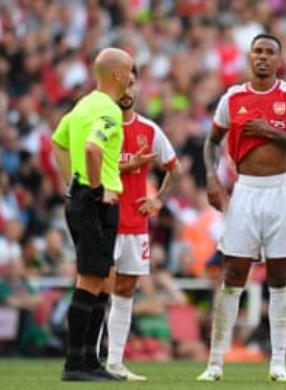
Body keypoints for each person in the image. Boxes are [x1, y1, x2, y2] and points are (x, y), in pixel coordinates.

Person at [196, 33, 286, 382]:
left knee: (280, 277)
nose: (263, 57)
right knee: (233, 275)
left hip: (281, 191)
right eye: (257, 51)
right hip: (244, 191)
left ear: (279, 60)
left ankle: (278, 363)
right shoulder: (232, 98)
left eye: (270, 52)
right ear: (250, 58)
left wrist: (272, 133)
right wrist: (211, 177)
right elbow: (212, 141)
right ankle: (215, 362)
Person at [51, 47, 133, 381]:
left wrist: (71, 182)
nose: (131, 78)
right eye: (129, 72)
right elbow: (92, 148)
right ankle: (75, 364)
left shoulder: (82, 105)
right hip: (97, 201)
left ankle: (89, 360)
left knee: (102, 278)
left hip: (82, 198)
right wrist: (95, 189)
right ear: (118, 75)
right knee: (89, 278)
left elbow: (58, 143)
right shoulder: (109, 111)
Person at [103, 65, 181, 380]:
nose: (127, 91)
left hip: (136, 224)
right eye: (121, 85)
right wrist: (128, 166)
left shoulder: (149, 130)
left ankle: (115, 362)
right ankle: (89, 360)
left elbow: (174, 169)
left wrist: (158, 199)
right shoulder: (102, 127)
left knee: (125, 290)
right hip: (104, 222)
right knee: (97, 290)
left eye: (132, 85)